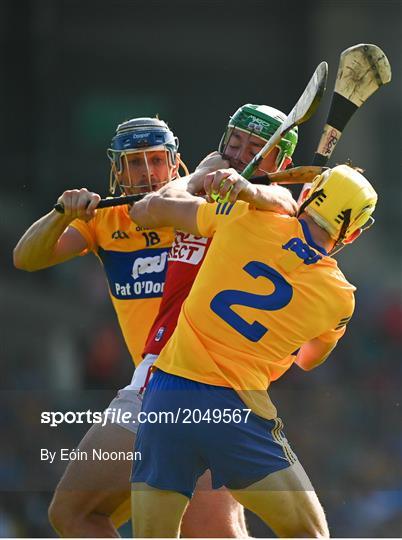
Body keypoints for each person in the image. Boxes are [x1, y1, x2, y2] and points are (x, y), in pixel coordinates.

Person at [13, 109, 296, 537]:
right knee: (72, 513)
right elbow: (25, 258)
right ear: (117, 170)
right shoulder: (105, 221)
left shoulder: (206, 205)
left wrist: (240, 186)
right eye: (134, 161)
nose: (146, 171)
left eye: (156, 159)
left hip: (205, 386)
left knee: (214, 531)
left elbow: (280, 204)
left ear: (174, 161)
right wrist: (61, 213)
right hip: (148, 388)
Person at [129, 164, 378, 538]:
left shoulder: (244, 216)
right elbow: (309, 359)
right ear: (353, 234)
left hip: (167, 396)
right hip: (235, 413)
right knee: (308, 532)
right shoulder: (340, 298)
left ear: (305, 196)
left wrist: (195, 180)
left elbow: (151, 210)